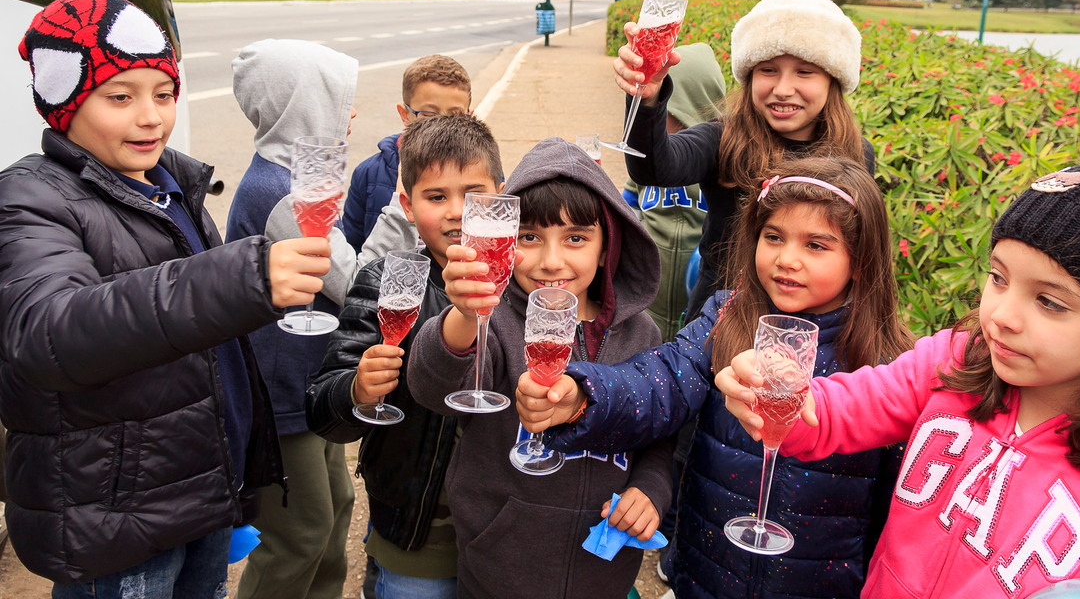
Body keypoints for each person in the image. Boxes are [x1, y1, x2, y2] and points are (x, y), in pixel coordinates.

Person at [718, 140, 1080, 598]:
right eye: (998, 277)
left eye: (1050, 302)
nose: (1002, 315)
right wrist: (776, 392)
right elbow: (838, 409)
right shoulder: (951, 364)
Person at [0, 0, 330, 594]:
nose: (150, 116)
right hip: (118, 522)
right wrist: (243, 277)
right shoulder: (30, 198)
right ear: (64, 104)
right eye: (119, 96)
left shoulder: (169, 184)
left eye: (164, 93)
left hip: (198, 495)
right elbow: (47, 333)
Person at [518, 156, 913, 599]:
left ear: (860, 260)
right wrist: (586, 396)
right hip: (707, 572)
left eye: (815, 245)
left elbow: (899, 513)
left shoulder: (888, 366)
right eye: (773, 237)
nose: (787, 259)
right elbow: (660, 381)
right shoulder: (727, 318)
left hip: (821, 585)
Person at [407, 137, 674, 599]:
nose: (552, 261)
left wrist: (651, 487)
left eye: (575, 238)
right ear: (506, 241)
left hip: (604, 575)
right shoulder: (498, 321)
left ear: (607, 244)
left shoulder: (642, 334)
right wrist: (464, 315)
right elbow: (433, 386)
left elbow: (661, 430)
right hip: (497, 570)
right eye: (529, 237)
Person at [307, 113, 505, 599]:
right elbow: (322, 410)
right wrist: (355, 390)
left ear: (502, 194)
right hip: (418, 531)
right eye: (436, 197)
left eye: (473, 193)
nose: (456, 211)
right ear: (407, 206)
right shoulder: (385, 284)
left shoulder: (524, 288)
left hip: (504, 533)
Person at [612, 0, 875, 324]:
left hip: (816, 331)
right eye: (768, 70)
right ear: (749, 76)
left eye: (805, 72)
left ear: (833, 80)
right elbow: (652, 167)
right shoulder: (725, 139)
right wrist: (647, 99)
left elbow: (863, 253)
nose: (783, 88)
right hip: (718, 325)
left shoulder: (857, 154)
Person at [225, 39, 363, 599]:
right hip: (281, 394)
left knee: (334, 516)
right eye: (337, 99)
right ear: (302, 105)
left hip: (310, 381)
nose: (350, 113)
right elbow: (354, 280)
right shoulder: (279, 192)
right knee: (299, 536)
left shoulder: (294, 177)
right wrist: (404, 211)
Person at [621, 43, 726, 341]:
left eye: (665, 109)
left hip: (701, 315)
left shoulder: (717, 163)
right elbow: (629, 204)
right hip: (646, 312)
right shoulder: (648, 164)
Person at [343, 54, 472, 252]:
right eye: (429, 115)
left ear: (470, 116)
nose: (443, 125)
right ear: (405, 114)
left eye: (455, 116)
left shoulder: (482, 172)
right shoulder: (369, 174)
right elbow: (352, 250)